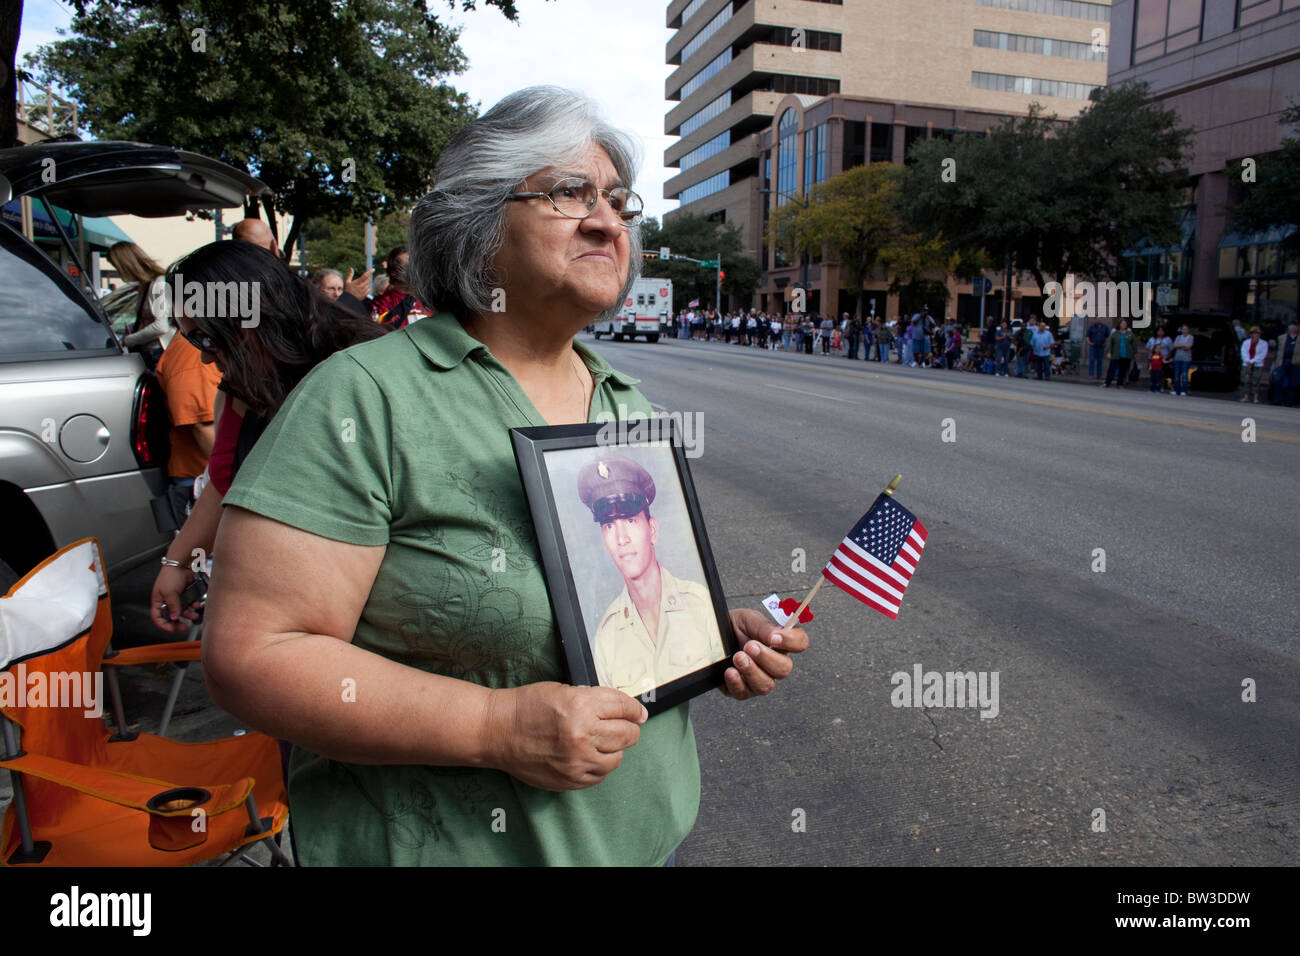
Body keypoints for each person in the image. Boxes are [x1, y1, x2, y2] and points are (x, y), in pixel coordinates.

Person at [200, 87, 808, 867]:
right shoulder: (367, 396)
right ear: (478, 228)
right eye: (568, 193)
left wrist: (703, 632)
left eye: (620, 203)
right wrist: (497, 730)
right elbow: (253, 655)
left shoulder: (630, 403)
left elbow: (595, 594)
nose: (607, 221)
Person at [149, 241, 386, 634]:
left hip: (363, 618)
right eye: (190, 339)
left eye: (207, 338)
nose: (206, 357)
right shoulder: (241, 384)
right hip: (283, 608)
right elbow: (223, 482)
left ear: (253, 317)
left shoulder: (363, 366)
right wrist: (178, 563)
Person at [580, 457, 725, 698]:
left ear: (653, 530)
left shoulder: (700, 603)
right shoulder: (607, 635)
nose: (621, 538)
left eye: (630, 521)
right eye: (609, 526)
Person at [107, 242, 173, 370]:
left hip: (158, 352)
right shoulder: (146, 285)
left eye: (117, 267)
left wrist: (129, 340)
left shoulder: (159, 284)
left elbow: (161, 326)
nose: (118, 272)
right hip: (150, 352)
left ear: (126, 265)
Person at [369, 245, 432, 330]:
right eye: (409, 264)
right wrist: (409, 299)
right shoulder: (382, 302)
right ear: (394, 271)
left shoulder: (429, 300)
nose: (416, 269)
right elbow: (384, 328)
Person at [1240, 326, 1269, 403]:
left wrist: (1252, 361)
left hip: (1257, 364)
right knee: (1246, 380)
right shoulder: (1246, 342)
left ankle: (1255, 397)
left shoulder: (1264, 343)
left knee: (1256, 380)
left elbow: (1263, 355)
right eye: (1255, 333)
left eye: (1258, 333)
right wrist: (1248, 361)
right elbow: (1243, 352)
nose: (1257, 335)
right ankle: (1246, 396)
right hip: (1247, 364)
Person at [1272, 322, 1299, 406]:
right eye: (1293, 326)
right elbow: (1277, 350)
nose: (1294, 328)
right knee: (1278, 380)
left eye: (1296, 326)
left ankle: (1288, 401)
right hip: (1282, 361)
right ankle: (1277, 400)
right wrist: (1276, 362)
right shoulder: (1281, 338)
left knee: (1292, 383)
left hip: (1295, 362)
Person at [1103, 320, 1135, 388]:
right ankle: (1107, 383)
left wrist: (1134, 353)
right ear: (1119, 325)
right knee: (1112, 369)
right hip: (1116, 354)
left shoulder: (1130, 334)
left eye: (1125, 324)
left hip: (1126, 354)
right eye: (1122, 323)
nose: (1124, 325)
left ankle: (1120, 384)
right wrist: (1109, 352)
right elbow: (1110, 343)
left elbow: (1133, 344)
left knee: (1123, 370)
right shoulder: (1115, 333)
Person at [1171, 323, 1195, 396]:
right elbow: (1175, 345)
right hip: (1177, 358)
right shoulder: (1178, 337)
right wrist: (1183, 346)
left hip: (1186, 359)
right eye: (1183, 329)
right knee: (1176, 374)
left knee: (1184, 374)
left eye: (1186, 329)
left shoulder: (1190, 337)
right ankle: (1176, 390)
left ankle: (1183, 390)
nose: (1184, 331)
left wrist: (1180, 346)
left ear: (1188, 330)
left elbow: (1188, 346)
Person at [1086, 315, 1109, 379]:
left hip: (1101, 346)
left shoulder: (1105, 327)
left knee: (1100, 361)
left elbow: (1108, 336)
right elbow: (1087, 336)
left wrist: (1105, 343)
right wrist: (1089, 342)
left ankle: (1099, 375)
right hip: (1093, 346)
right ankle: (1091, 374)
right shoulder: (1092, 327)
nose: (1099, 320)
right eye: (1098, 319)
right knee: (1092, 360)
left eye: (1100, 318)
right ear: (1095, 319)